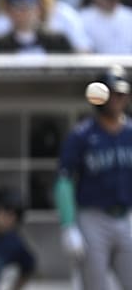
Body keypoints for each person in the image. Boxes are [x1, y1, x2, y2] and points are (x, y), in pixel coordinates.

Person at [55, 65, 132, 290]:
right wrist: (68, 225)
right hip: (93, 218)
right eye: (112, 94)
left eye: (122, 94)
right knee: (95, 285)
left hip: (127, 216)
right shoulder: (82, 135)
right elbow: (64, 180)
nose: (118, 99)